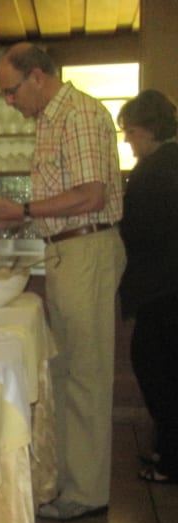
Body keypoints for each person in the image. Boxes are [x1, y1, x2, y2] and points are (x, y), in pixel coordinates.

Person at [0, 42, 126, 521]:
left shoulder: (78, 114)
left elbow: (91, 196)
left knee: (86, 375)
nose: (8, 101)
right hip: (68, 249)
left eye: (11, 90)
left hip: (86, 248)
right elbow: (65, 200)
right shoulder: (51, 121)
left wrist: (20, 210)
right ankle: (68, 483)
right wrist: (7, 219)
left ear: (37, 76)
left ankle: (87, 494)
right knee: (66, 371)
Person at [116, 90, 178, 484]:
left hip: (162, 287)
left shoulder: (153, 171)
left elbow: (137, 231)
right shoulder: (170, 163)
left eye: (131, 132)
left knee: (157, 369)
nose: (127, 140)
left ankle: (171, 461)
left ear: (149, 130)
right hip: (167, 284)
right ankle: (167, 449)